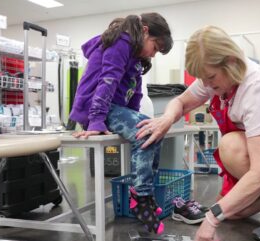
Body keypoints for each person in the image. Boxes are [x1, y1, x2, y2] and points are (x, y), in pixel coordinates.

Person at [136, 25, 260, 241]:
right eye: (202, 79)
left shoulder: (257, 87)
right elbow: (181, 102)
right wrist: (166, 119)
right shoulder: (218, 76)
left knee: (231, 147)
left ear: (230, 61)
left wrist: (212, 218)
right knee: (236, 212)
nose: (206, 85)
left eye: (210, 77)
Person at [69, 12, 173, 234]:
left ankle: (146, 193)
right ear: (145, 30)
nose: (154, 55)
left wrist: (133, 119)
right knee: (146, 131)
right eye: (155, 47)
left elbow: (133, 92)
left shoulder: (135, 55)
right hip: (95, 107)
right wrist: (95, 121)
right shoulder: (121, 42)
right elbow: (108, 80)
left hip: (113, 109)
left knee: (154, 128)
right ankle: (141, 196)